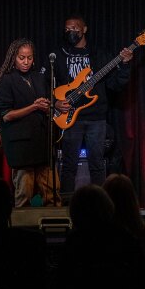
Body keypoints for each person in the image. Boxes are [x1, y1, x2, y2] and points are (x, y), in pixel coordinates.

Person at [50, 15, 132, 200]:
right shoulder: (59, 55)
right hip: (70, 117)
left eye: (75, 28)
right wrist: (55, 102)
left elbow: (114, 85)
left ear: (84, 29)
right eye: (67, 29)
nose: (71, 31)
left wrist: (125, 65)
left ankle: (100, 204)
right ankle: (66, 207)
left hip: (96, 118)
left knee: (97, 164)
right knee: (69, 165)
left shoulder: (99, 55)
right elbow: (45, 84)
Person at [0, 38, 59, 207]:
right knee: (24, 195)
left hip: (42, 143)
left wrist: (50, 105)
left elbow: (48, 102)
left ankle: (53, 230)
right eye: (22, 58)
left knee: (52, 194)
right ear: (13, 58)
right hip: (21, 147)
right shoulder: (5, 80)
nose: (26, 62)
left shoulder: (39, 78)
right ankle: (23, 231)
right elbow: (6, 115)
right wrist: (34, 106)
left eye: (29, 58)